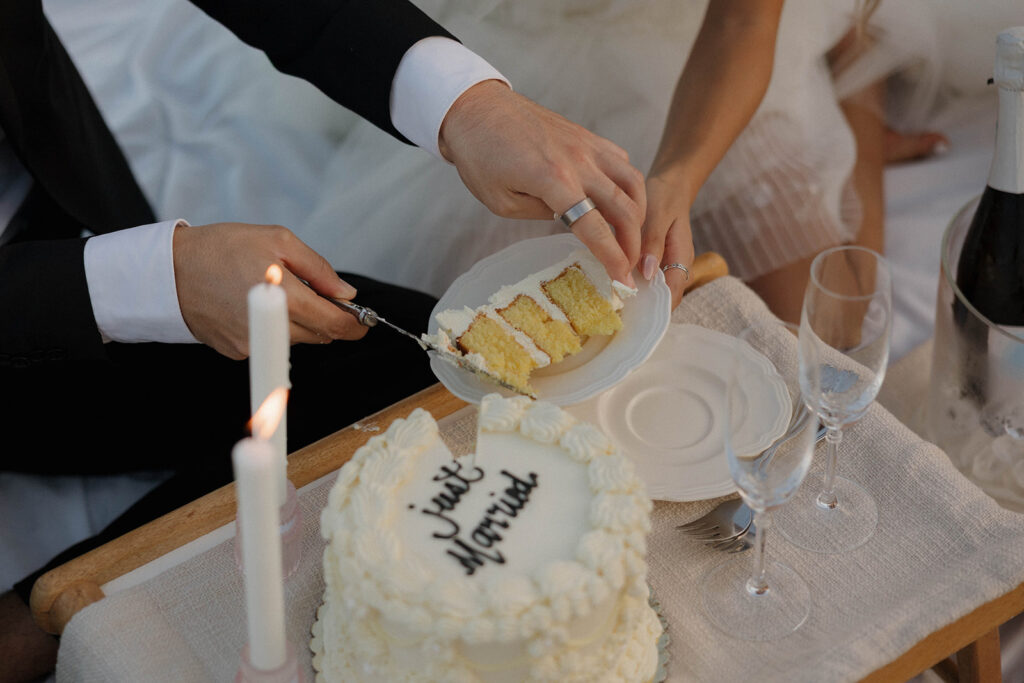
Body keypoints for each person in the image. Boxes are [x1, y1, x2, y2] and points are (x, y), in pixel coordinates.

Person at [0, 0, 649, 679]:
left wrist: (468, 108)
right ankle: (35, 625)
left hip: (66, 219)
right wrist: (155, 284)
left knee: (414, 374)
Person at [292, 0, 946, 320]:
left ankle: (858, 66)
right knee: (491, 325)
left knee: (827, 326)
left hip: (694, 26)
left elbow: (744, 26)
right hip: (525, 28)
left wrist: (679, 176)